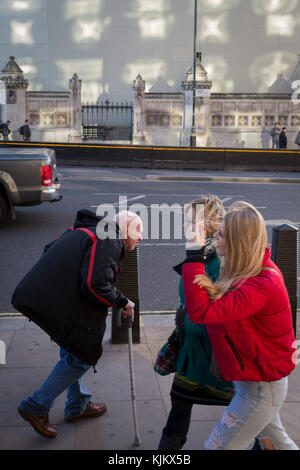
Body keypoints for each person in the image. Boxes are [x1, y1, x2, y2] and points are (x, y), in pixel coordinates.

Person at [12, 209, 143, 439]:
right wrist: (123, 302)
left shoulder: (90, 230)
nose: (141, 237)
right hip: (56, 303)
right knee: (81, 357)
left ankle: (77, 404)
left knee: (73, 347)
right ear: (127, 229)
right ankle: (36, 406)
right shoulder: (110, 239)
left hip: (48, 298)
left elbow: (50, 250)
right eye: (139, 231)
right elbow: (96, 284)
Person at [181, 201, 298, 450]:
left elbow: (202, 313)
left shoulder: (261, 284)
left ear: (237, 242)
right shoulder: (248, 272)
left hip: (259, 388)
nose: (215, 235)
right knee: (276, 443)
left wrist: (193, 255)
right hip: (254, 379)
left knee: (218, 446)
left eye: (221, 234)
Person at [158, 195, 234, 450]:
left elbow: (223, 318)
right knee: (178, 412)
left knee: (249, 418)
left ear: (205, 224)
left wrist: (185, 321)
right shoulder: (202, 254)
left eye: (188, 221)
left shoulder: (219, 260)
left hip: (214, 360)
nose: (183, 226)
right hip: (193, 355)